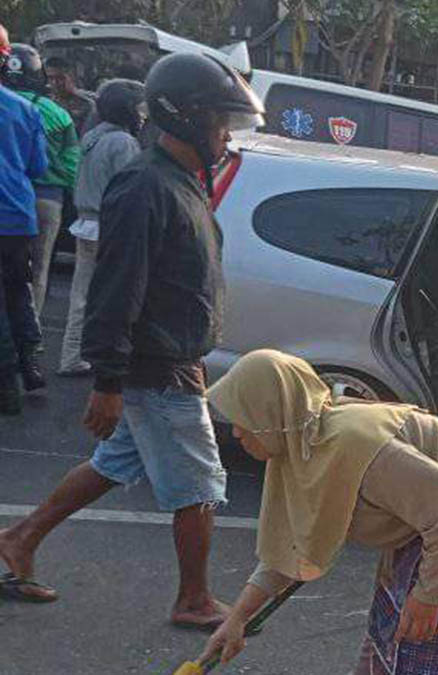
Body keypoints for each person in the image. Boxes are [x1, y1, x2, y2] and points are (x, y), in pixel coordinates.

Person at [0, 54, 264, 624]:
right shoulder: (145, 185)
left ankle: (19, 538)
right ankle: (193, 599)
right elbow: (117, 289)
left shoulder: (180, 182)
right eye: (219, 122)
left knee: (113, 464)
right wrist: (108, 381)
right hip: (156, 367)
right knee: (198, 484)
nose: (225, 136)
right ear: (188, 117)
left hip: (171, 360)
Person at [198, 350, 438, 673]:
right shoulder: (300, 447)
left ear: (270, 415)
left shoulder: (352, 444)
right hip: (421, 517)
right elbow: (290, 549)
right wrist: (238, 619)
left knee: (424, 646)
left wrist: (432, 596)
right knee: (388, 632)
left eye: (243, 418)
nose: (236, 432)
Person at [57, 79, 145, 377]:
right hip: (107, 226)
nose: (142, 114)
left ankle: (71, 354)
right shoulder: (123, 143)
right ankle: (101, 356)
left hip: (85, 223)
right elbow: (130, 188)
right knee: (110, 296)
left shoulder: (93, 135)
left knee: (81, 294)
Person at [2, 44, 80, 317]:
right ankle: (29, 332)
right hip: (46, 200)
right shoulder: (56, 113)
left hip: (5, 200)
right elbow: (72, 164)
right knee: (37, 270)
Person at [0, 24, 49, 415]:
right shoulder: (26, 109)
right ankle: (30, 362)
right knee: (18, 290)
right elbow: (38, 166)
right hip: (18, 217)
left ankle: (6, 382)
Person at [44, 56, 96, 135]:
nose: (55, 83)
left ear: (71, 76)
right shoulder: (46, 104)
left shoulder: (87, 103)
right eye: (51, 78)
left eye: (60, 78)